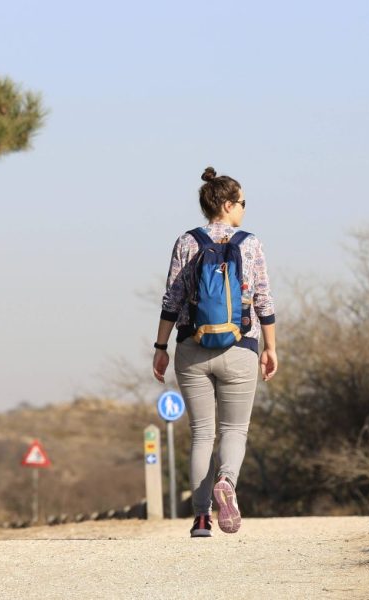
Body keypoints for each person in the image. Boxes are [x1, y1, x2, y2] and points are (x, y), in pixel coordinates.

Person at [152, 166, 277, 538]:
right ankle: (227, 481)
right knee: (235, 429)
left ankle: (202, 517)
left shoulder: (186, 241)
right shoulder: (250, 242)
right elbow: (264, 299)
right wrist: (270, 347)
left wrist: (160, 346)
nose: (244, 208)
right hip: (241, 346)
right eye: (241, 202)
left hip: (192, 347)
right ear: (226, 204)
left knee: (202, 434)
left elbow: (171, 299)